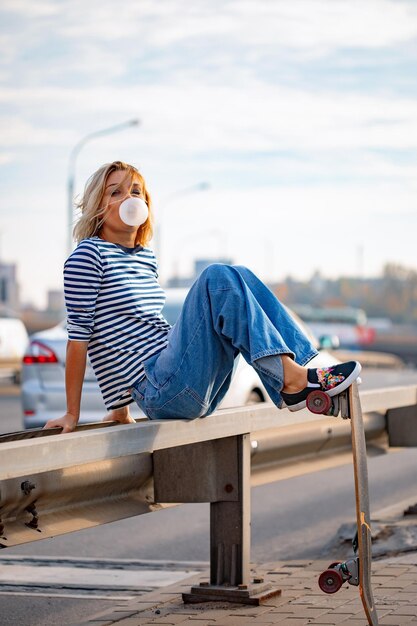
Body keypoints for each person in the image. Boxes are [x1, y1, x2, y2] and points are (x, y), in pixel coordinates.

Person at [44, 161, 361, 434]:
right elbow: (82, 337)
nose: (130, 198)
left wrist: (119, 410)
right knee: (217, 278)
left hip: (191, 383)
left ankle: (300, 372)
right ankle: (294, 380)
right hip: (162, 388)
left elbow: (130, 332)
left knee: (240, 275)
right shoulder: (88, 255)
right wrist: (76, 413)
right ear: (100, 205)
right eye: (116, 192)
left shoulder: (144, 257)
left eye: (136, 191)